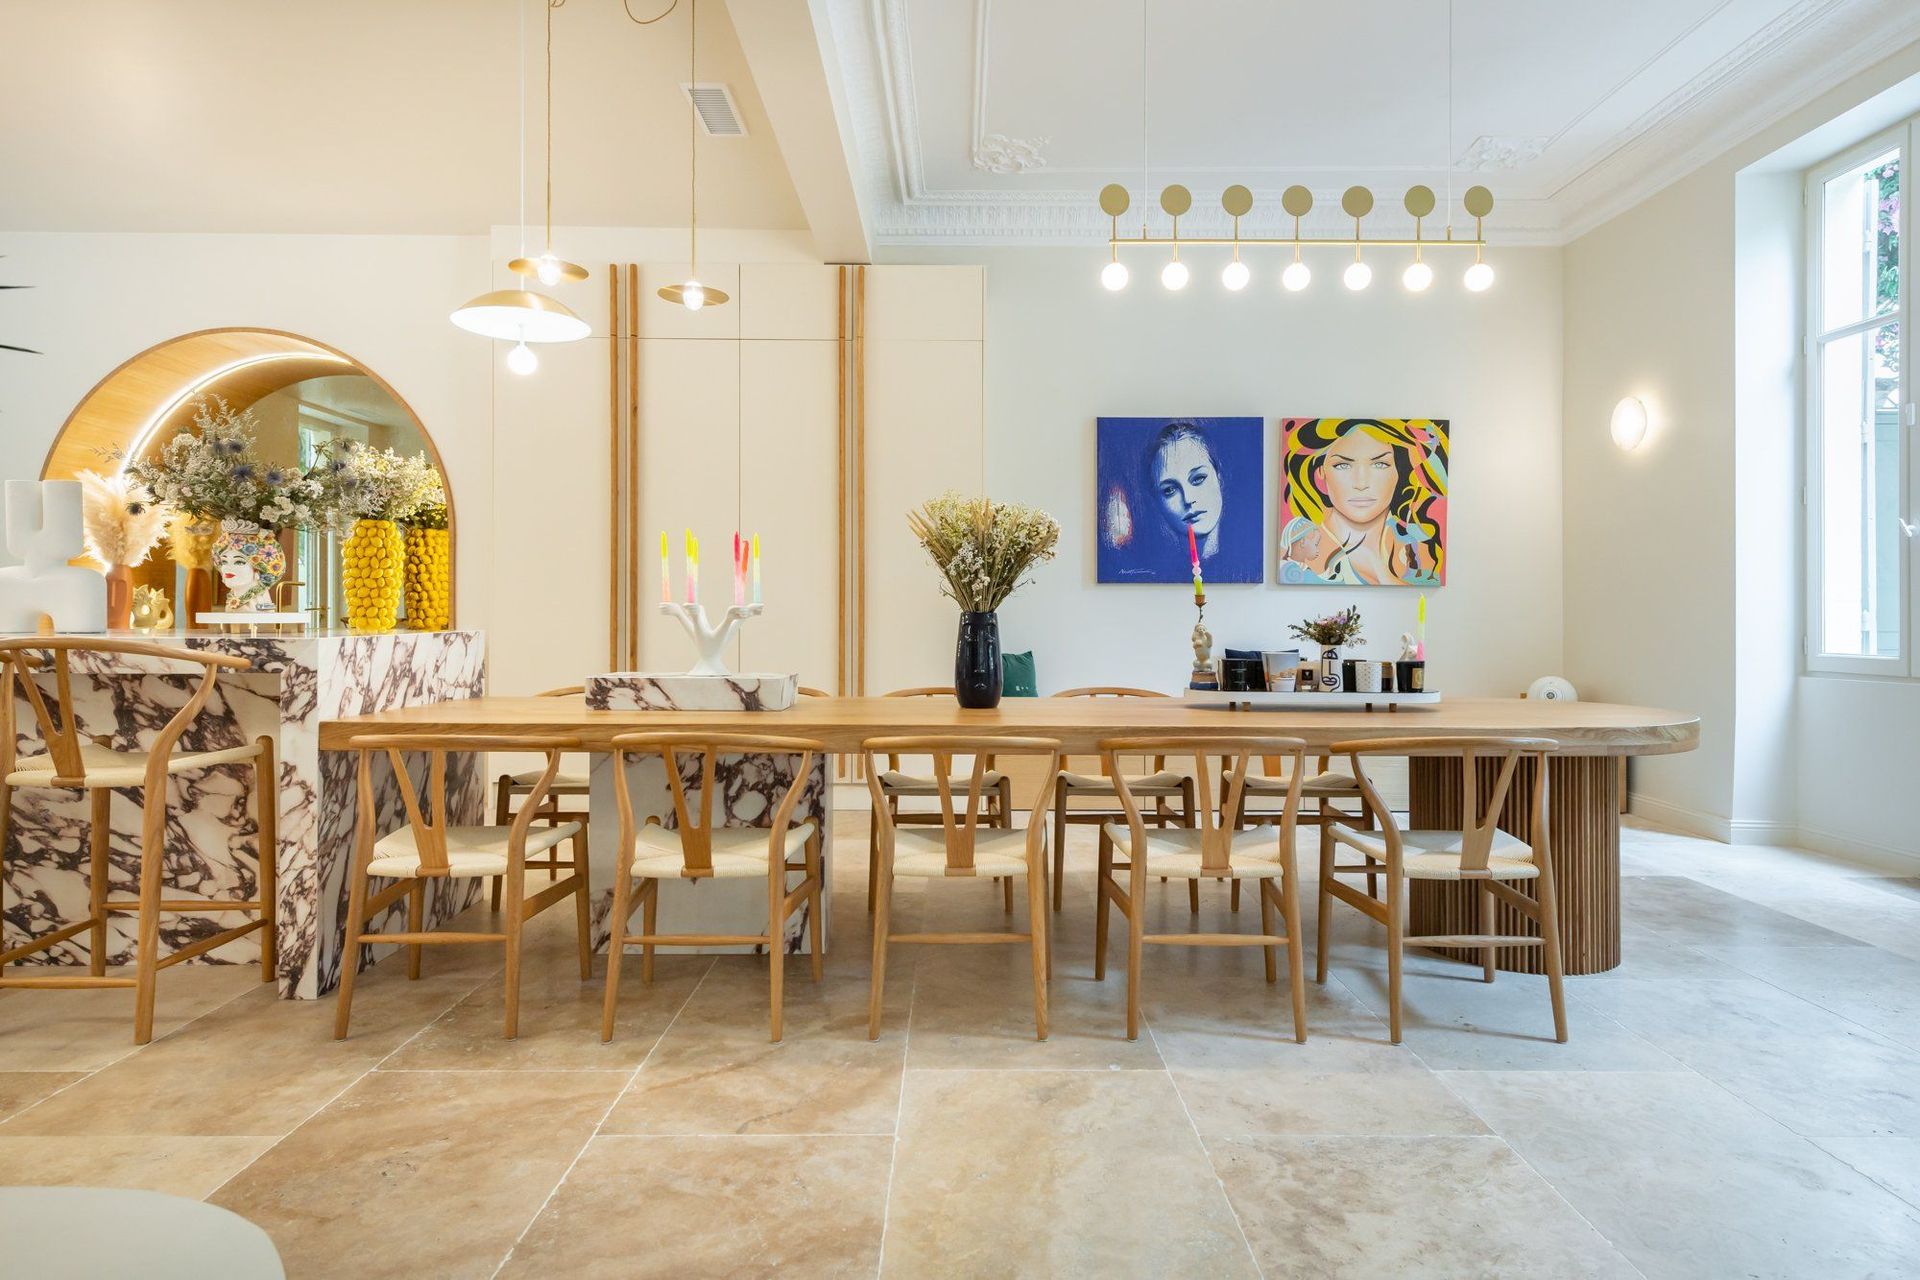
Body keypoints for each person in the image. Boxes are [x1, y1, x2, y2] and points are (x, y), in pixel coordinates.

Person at [1279, 418, 1446, 586]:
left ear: (1399, 471)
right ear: (1320, 472)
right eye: (1342, 465)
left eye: (1380, 464)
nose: (1361, 483)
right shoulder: (1298, 545)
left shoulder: (1421, 547)